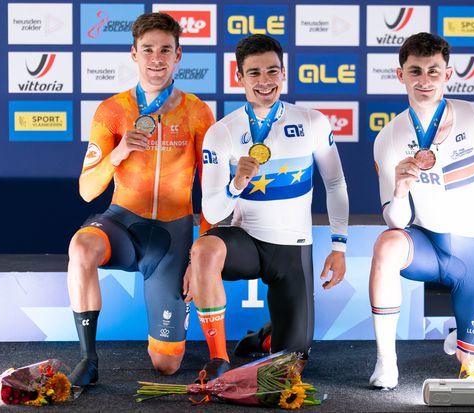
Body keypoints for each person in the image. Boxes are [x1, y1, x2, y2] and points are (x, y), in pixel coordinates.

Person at [369, 32, 474, 390]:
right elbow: (396, 221)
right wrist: (400, 191)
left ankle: (465, 343)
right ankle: (385, 362)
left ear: (448, 73)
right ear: (400, 75)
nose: (424, 81)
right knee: (387, 244)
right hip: (428, 246)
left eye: (433, 71)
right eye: (415, 71)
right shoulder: (389, 138)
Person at [184, 34, 349, 379]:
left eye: (273, 71)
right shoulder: (222, 132)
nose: (265, 81)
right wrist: (236, 184)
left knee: (290, 367)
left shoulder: (313, 122)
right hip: (245, 241)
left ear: (284, 73)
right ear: (239, 77)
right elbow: (212, 212)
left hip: (292, 249)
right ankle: (218, 358)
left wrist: (339, 246)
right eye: (254, 73)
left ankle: (265, 337)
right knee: (203, 250)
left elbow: (335, 184)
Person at [67, 12, 214, 386]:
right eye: (148, 49)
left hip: (172, 237)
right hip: (122, 224)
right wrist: (117, 155)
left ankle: (170, 332)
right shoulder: (112, 110)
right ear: (134, 54)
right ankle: (88, 359)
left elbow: (212, 191)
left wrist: (198, 259)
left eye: (165, 50)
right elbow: (87, 190)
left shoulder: (198, 112)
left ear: (178, 55)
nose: (156, 58)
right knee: (81, 247)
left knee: (166, 365)